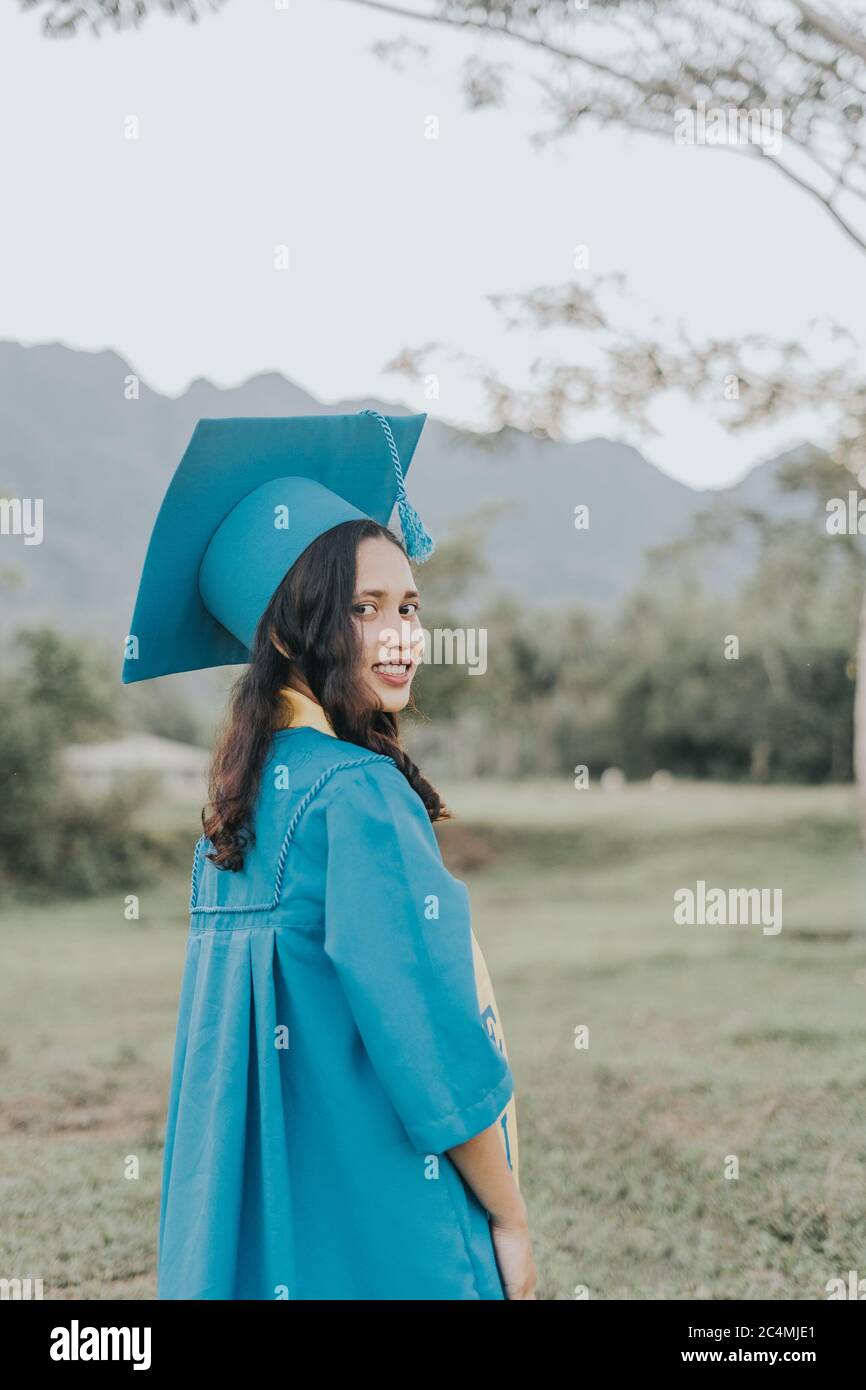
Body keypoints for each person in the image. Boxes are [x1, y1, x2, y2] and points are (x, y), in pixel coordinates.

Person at [122, 409, 536, 1300]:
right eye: (365, 608)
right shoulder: (359, 796)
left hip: (258, 1239)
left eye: (410, 607)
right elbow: (429, 1040)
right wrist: (508, 1213)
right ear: (285, 632)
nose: (401, 637)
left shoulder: (231, 811)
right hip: (383, 1230)